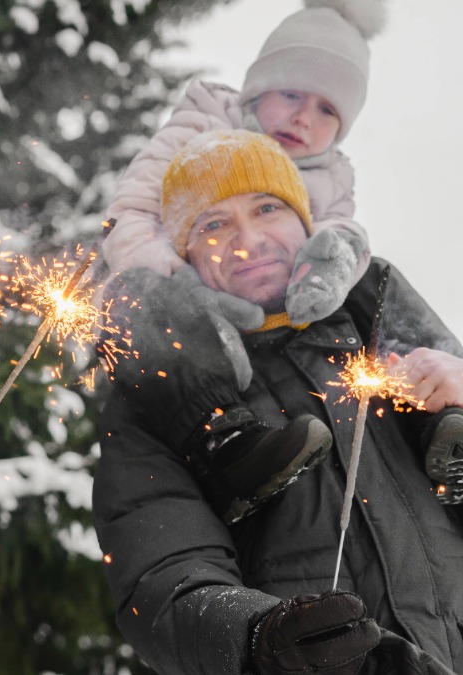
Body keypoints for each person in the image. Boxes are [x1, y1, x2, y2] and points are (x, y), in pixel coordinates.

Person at [94, 129, 463, 675]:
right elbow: (162, 579)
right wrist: (260, 637)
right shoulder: (157, 394)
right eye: (213, 224)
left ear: (307, 225)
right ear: (183, 253)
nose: (248, 239)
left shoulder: (391, 334)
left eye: (267, 208)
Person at [97, 0, 390, 520]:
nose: (304, 117)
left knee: (379, 280)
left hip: (275, 312)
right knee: (139, 304)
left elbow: (339, 229)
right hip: (184, 286)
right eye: (293, 94)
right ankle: (226, 439)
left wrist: (330, 260)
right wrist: (183, 284)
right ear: (259, 88)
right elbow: (133, 213)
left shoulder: (333, 173)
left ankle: (440, 412)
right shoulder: (206, 119)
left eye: (328, 109)